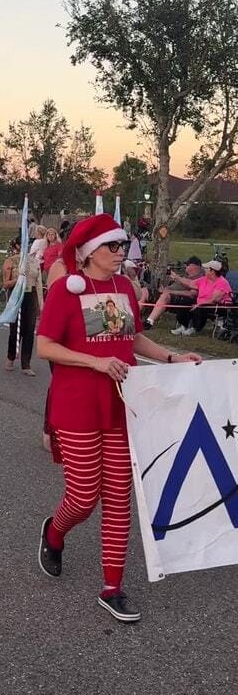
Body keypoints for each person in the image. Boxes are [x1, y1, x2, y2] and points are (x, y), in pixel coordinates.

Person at [36, 213, 201, 623]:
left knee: (118, 497)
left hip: (121, 405)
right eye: (113, 246)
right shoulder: (67, 290)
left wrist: (171, 357)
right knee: (83, 497)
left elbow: (133, 336)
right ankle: (54, 532)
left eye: (122, 245)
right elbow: (45, 346)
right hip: (77, 406)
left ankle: (112, 587)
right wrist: (94, 361)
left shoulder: (124, 287)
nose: (120, 252)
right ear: (90, 252)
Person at [2, 238, 39, 374]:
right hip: (16, 295)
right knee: (15, 330)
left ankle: (26, 364)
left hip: (31, 296)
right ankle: (10, 357)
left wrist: (41, 304)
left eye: (28, 244)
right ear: (17, 246)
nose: (26, 247)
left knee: (29, 330)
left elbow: (38, 283)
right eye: (23, 244)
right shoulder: (10, 261)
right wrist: (17, 279)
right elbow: (5, 284)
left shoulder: (34, 261)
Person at [168, 260, 233, 335]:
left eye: (206, 268)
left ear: (212, 271)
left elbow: (214, 300)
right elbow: (190, 283)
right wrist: (176, 277)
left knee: (200, 307)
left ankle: (195, 328)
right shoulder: (204, 279)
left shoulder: (222, 282)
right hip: (203, 302)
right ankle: (183, 326)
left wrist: (199, 304)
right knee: (186, 301)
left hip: (217, 306)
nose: (204, 269)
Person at [142, 256, 204, 329]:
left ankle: (149, 322)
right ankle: (133, 316)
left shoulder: (200, 278)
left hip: (176, 298)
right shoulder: (184, 275)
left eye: (187, 265)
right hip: (166, 292)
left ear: (194, 266)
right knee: (144, 291)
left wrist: (171, 289)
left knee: (165, 296)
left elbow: (192, 293)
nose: (185, 267)